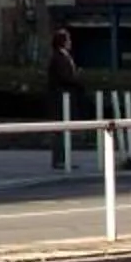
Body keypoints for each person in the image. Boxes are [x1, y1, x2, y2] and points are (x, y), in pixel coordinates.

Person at [48, 27, 84, 169]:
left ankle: (64, 158)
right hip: (60, 98)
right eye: (68, 39)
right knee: (60, 130)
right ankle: (59, 160)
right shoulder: (58, 58)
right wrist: (76, 78)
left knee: (65, 130)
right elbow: (64, 77)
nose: (70, 42)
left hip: (67, 97)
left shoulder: (65, 56)